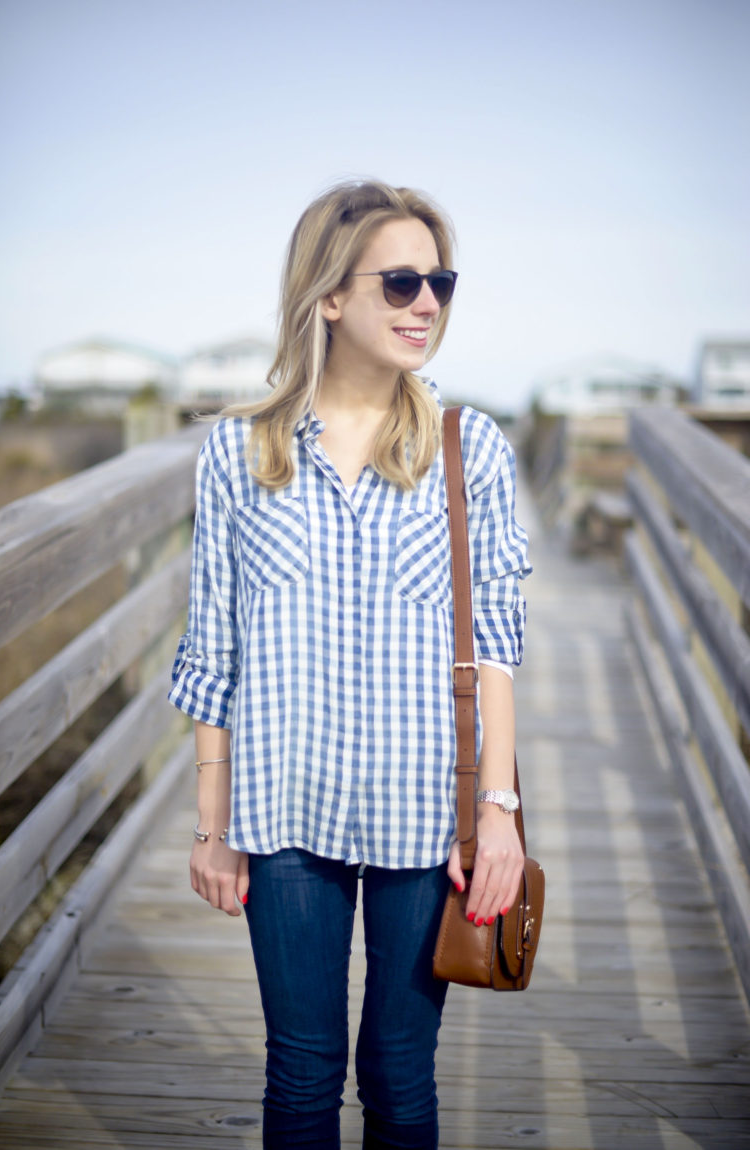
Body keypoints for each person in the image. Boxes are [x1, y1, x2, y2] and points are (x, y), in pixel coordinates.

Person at [168, 179, 531, 1150]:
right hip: (282, 809)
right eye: (402, 281)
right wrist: (213, 825)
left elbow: (495, 640)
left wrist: (496, 815)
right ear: (329, 295)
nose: (427, 305)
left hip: (426, 815)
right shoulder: (239, 452)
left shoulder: (471, 450)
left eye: (441, 283)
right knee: (300, 1072)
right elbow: (216, 648)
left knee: (402, 1077)